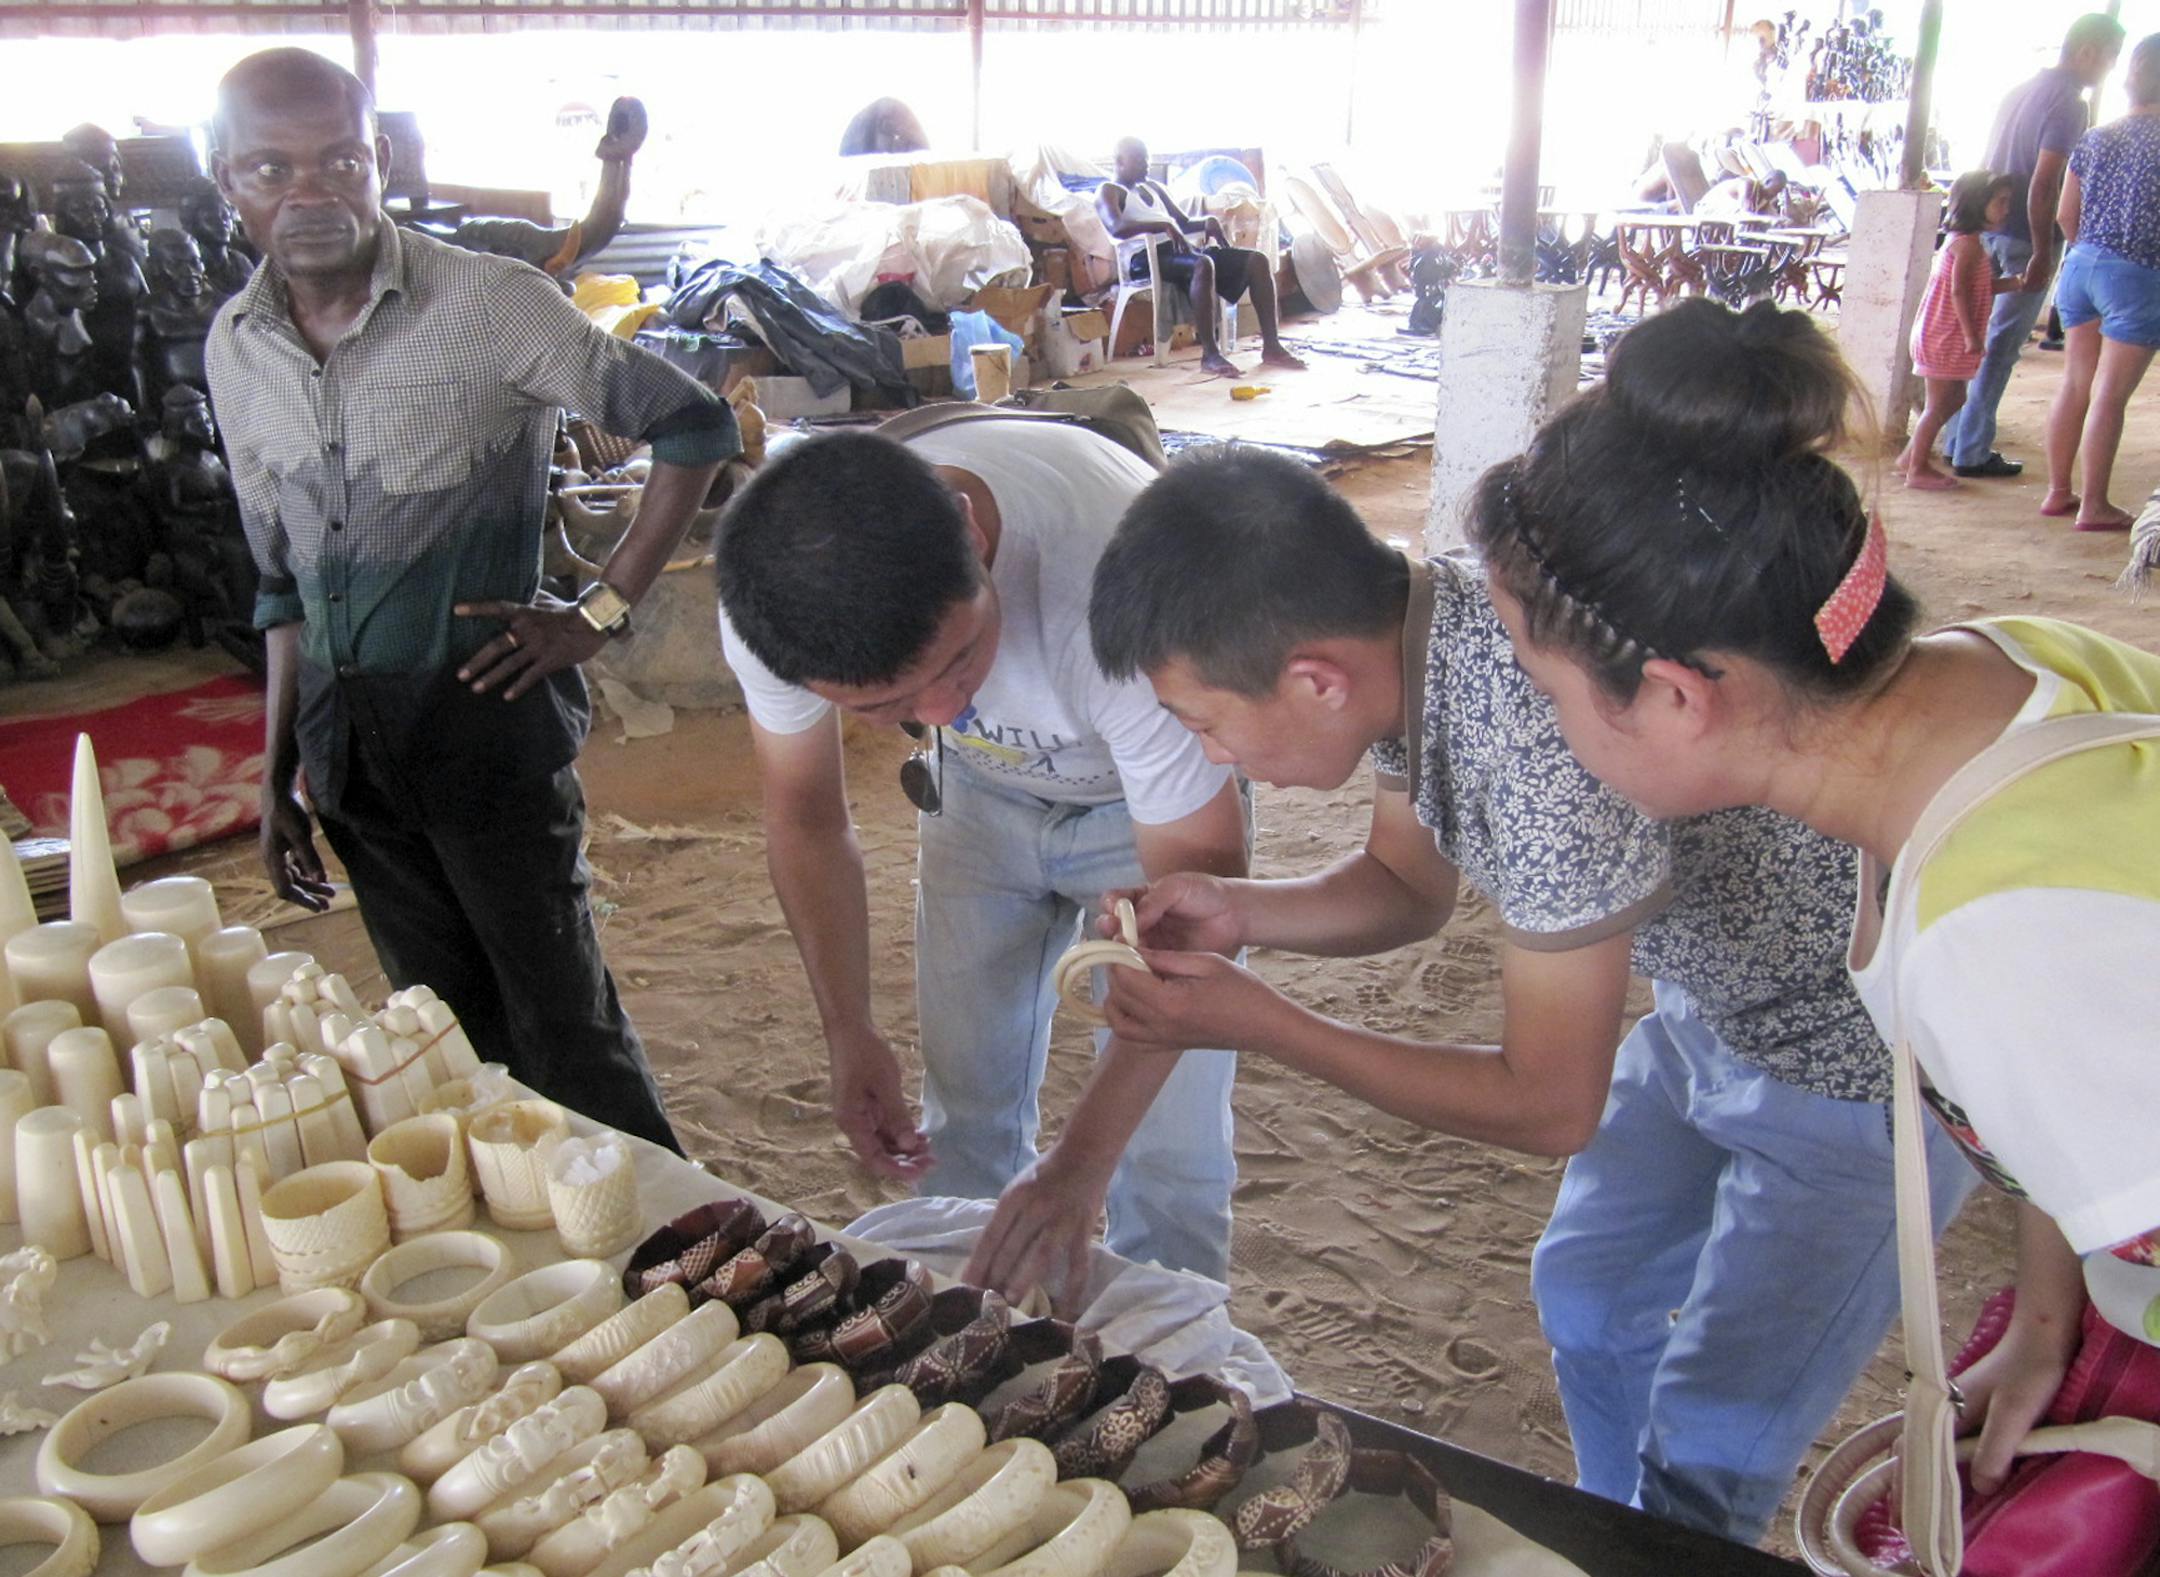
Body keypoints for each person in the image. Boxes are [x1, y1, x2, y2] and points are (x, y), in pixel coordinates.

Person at [1034, 446, 1976, 1545]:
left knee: (1720, 1432)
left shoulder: (1534, 750)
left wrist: (1263, 1022)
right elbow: (1399, 886)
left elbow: (1547, 1103)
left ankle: (1670, 1531)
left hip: (1858, 1066)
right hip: (1711, 1007)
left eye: (1204, 721)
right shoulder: (1413, 627)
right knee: (1589, 1286)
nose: (1207, 753)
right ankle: (1620, 1517)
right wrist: (1243, 908)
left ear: (1313, 679)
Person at [1467, 295, 2160, 1499]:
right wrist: (2050, 1318)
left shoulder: (1995, 943)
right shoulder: (2016, 666)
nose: (1548, 730)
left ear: (1680, 696)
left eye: (1550, 685)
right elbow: (2081, 1115)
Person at [204, 48, 739, 1151]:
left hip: (483, 724)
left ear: (381, 162)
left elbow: (694, 425)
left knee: (564, 1028)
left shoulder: (491, 305)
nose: (308, 193)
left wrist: (596, 609)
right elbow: (279, 584)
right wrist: (272, 775)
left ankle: (675, 1244)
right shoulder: (236, 348)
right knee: (439, 1029)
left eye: (337, 160)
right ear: (228, 183)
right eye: (270, 169)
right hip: (346, 747)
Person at [713, 419, 1249, 1284]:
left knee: (1170, 1146)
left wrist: (1079, 1166)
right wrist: (847, 1028)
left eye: (960, 658)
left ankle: (1180, 1364)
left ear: (971, 531)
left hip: (1139, 806)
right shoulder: (776, 608)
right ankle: (967, 1326)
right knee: (964, 1104)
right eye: (884, 708)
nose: (939, 713)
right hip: (978, 796)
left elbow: (1201, 906)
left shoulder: (1126, 589)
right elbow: (807, 818)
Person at [1947, 13, 2126, 480]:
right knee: (2000, 346)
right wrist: (2046, 248)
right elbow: (2045, 183)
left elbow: (1989, 167)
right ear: (2087, 50)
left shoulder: (2019, 92)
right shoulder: (2069, 103)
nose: (2107, 69)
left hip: (1988, 227)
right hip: (2026, 236)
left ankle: (1952, 437)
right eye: (2109, 59)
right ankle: (1970, 449)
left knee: (1970, 340)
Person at [2041, 33, 2160, 531]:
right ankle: (2095, 506)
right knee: (2110, 396)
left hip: (2081, 265)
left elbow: (2067, 214)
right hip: (2137, 273)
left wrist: (2092, 251)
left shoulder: (2097, 136)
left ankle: (2058, 492)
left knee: (2075, 384)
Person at [1096, 137, 1304, 379]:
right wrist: (1161, 225)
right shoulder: (1108, 191)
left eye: (1148, 159)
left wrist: (1207, 223)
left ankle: (1272, 347)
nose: (1147, 164)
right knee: (1202, 264)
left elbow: (1183, 223)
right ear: (1120, 161)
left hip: (1178, 251)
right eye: (1140, 159)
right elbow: (1116, 227)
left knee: (1256, 261)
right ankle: (1210, 354)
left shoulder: (1154, 188)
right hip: (1142, 259)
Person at [1899, 172, 2019, 490]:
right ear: (1977, 203)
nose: (2007, 209)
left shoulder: (1968, 244)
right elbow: (1959, 293)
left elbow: (1977, 287)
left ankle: (1911, 458)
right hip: (1945, 335)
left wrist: (2015, 283)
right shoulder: (1966, 247)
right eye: (2001, 202)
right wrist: (1971, 336)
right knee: (1939, 405)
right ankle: (1917, 468)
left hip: (1942, 334)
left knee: (1954, 399)